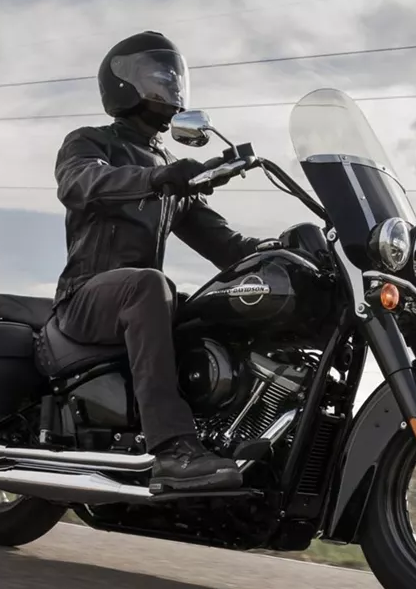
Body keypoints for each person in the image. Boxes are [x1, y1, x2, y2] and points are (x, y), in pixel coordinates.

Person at [48, 31, 277, 493]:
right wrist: (157, 178)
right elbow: (80, 183)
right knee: (151, 284)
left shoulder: (167, 167)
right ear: (124, 85)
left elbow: (224, 244)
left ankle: (236, 434)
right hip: (84, 299)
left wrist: (282, 247)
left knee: (219, 305)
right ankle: (172, 449)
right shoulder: (91, 143)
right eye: (158, 77)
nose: (170, 86)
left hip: (137, 296)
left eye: (174, 78)